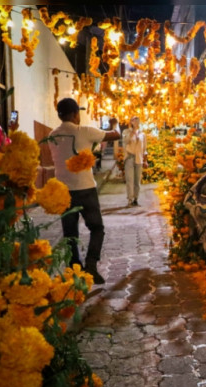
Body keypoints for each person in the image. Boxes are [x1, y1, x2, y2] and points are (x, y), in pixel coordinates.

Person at [48, 98, 121, 284]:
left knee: (70, 233)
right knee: (97, 228)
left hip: (64, 191)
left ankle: (75, 269)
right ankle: (91, 265)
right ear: (75, 114)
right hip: (86, 189)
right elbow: (115, 135)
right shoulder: (85, 131)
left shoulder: (51, 136)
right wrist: (115, 124)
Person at [122, 116, 147, 207]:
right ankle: (130, 199)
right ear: (130, 122)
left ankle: (136, 199)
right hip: (129, 157)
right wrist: (132, 131)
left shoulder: (142, 134)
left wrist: (145, 160)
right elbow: (125, 141)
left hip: (139, 158)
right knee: (130, 179)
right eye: (133, 120)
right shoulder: (126, 132)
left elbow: (144, 148)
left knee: (137, 180)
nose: (135, 122)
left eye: (137, 120)